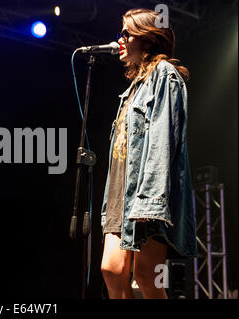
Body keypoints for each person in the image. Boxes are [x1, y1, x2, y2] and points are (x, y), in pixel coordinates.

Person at [100, 8, 197, 299]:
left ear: (147, 38)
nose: (120, 40)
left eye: (126, 34)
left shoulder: (164, 76)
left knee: (145, 275)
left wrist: (150, 203)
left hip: (146, 196)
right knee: (112, 269)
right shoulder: (131, 90)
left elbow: (161, 142)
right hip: (120, 194)